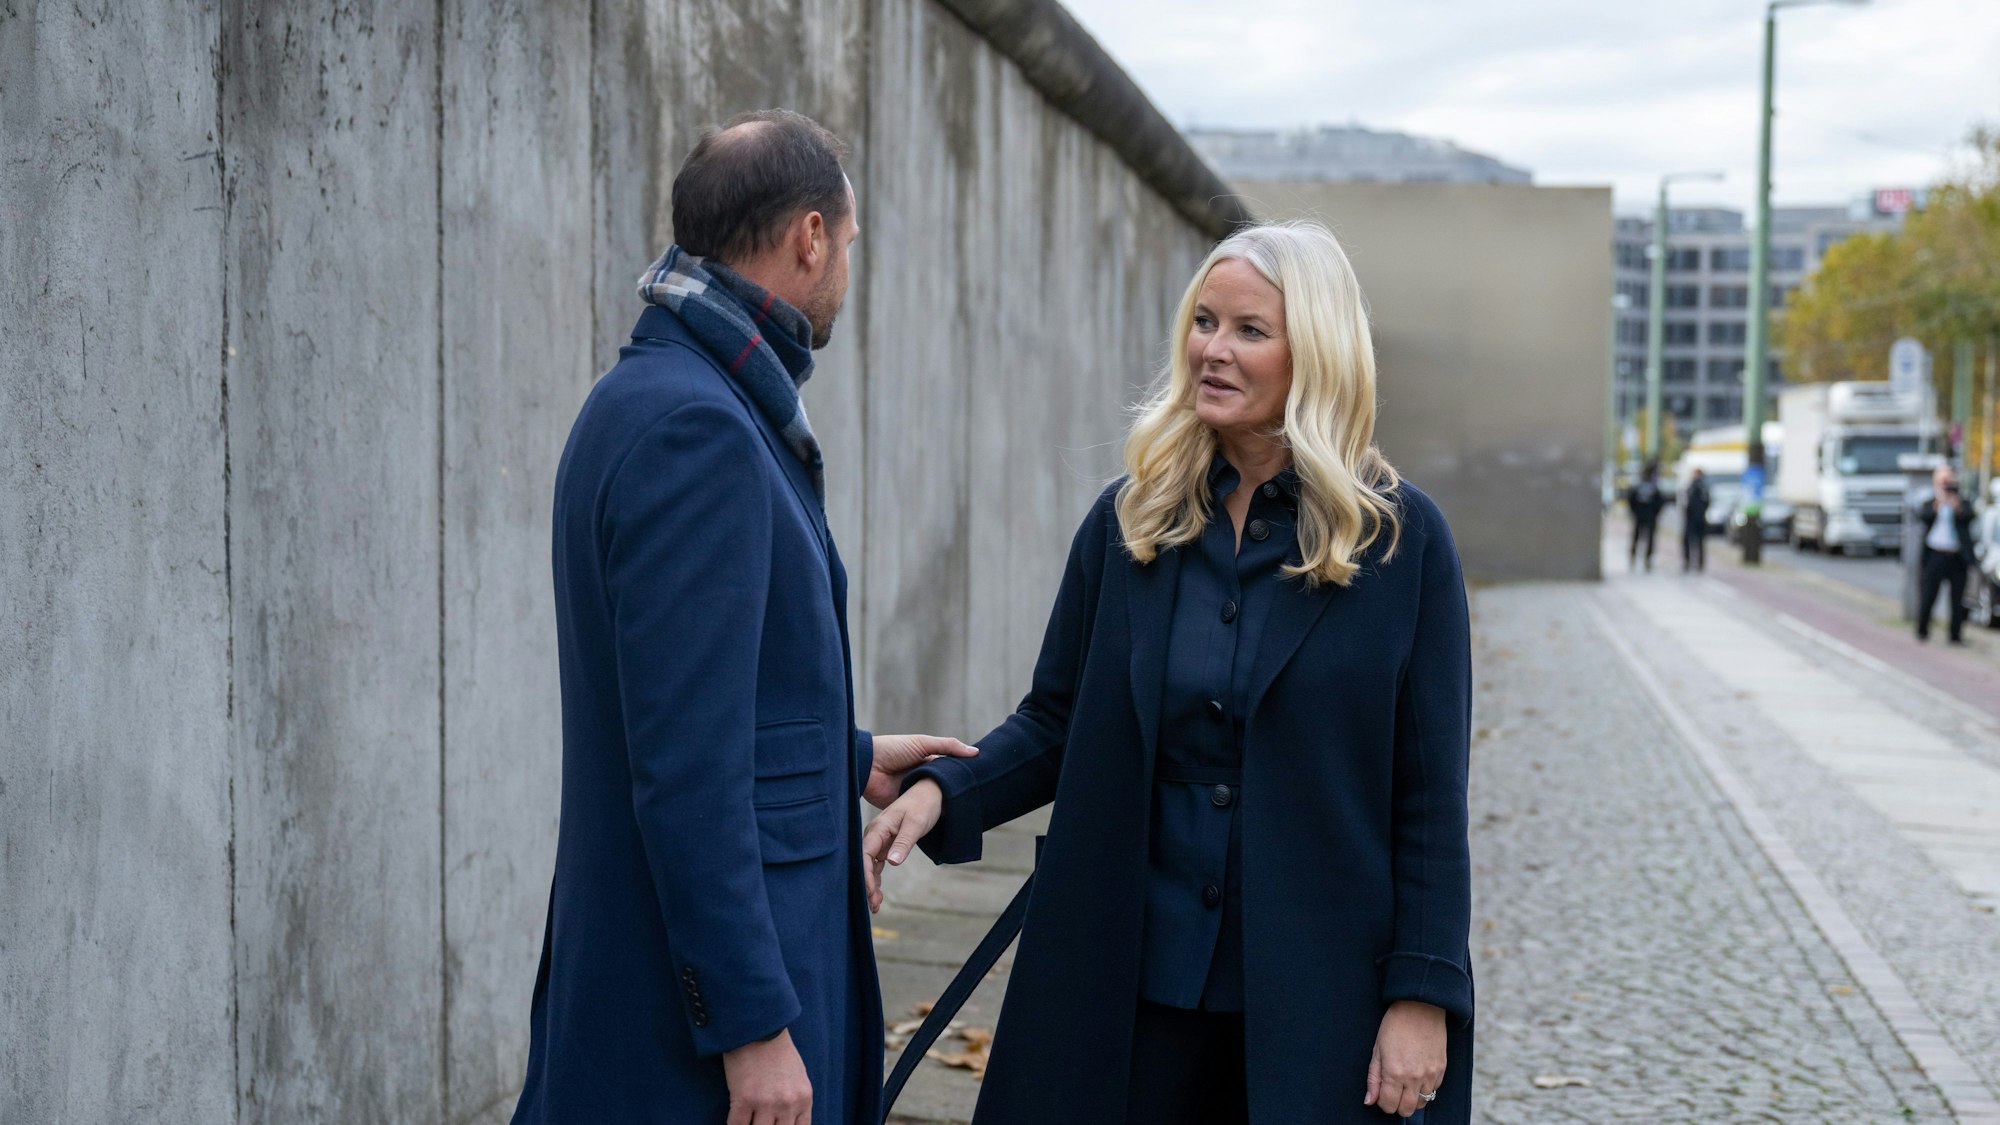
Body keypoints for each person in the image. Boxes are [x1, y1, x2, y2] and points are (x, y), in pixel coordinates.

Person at [864, 222, 1473, 1123]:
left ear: (1319, 351)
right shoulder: (1131, 521)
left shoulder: (1399, 542)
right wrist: (946, 790)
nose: (1212, 351)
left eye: (1249, 331)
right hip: (1130, 979)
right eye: (1203, 321)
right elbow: (1058, 719)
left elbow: (1429, 800)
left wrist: (1422, 994)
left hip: (1318, 996)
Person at [512, 109, 974, 1125]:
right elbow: (683, 770)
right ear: (809, 236)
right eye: (847, 244)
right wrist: (753, 1028)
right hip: (691, 1034)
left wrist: (840, 754)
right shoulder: (698, 431)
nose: (847, 267)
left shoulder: (653, 396)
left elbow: (687, 700)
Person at [1915, 464, 1978, 645]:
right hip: (1934, 555)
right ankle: (1922, 631)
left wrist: (1956, 505)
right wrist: (1939, 503)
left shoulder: (1962, 501)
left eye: (1950, 480)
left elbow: (1969, 515)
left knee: (1957, 600)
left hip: (1956, 557)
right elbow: (1923, 515)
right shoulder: (1931, 501)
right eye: (1944, 480)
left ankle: (1955, 635)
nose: (1948, 484)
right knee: (1928, 595)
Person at [1626, 461, 1666, 572]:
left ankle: (1635, 557)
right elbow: (1660, 501)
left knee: (1638, 537)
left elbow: (1631, 500)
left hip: (1642, 516)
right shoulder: (1652, 486)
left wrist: (1635, 512)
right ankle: (1645, 559)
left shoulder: (1639, 485)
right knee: (1646, 538)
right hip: (1648, 516)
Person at [1681, 467, 1710, 573]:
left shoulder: (1696, 487)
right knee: (1695, 542)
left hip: (1695, 519)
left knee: (1697, 542)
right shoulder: (1697, 487)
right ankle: (1691, 562)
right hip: (1695, 518)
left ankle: (1695, 563)